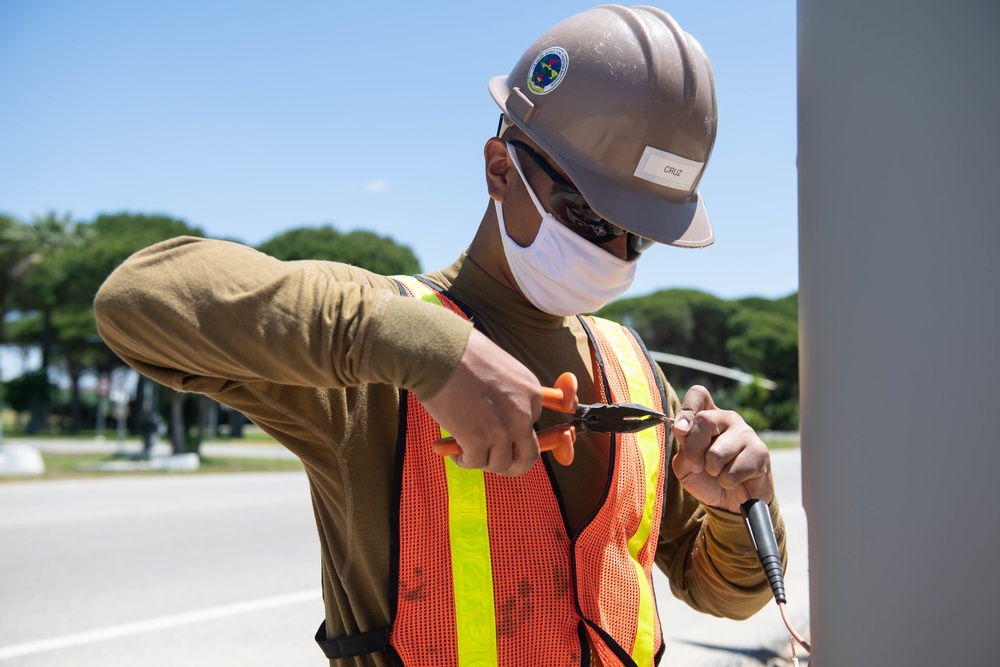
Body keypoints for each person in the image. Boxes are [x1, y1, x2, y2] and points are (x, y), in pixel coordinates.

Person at [94, 5, 786, 666]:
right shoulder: (374, 346)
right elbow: (135, 299)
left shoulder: (631, 367)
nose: (619, 252)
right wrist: (430, 352)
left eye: (642, 234)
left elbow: (719, 590)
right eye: (593, 216)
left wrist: (739, 504)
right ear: (499, 169)